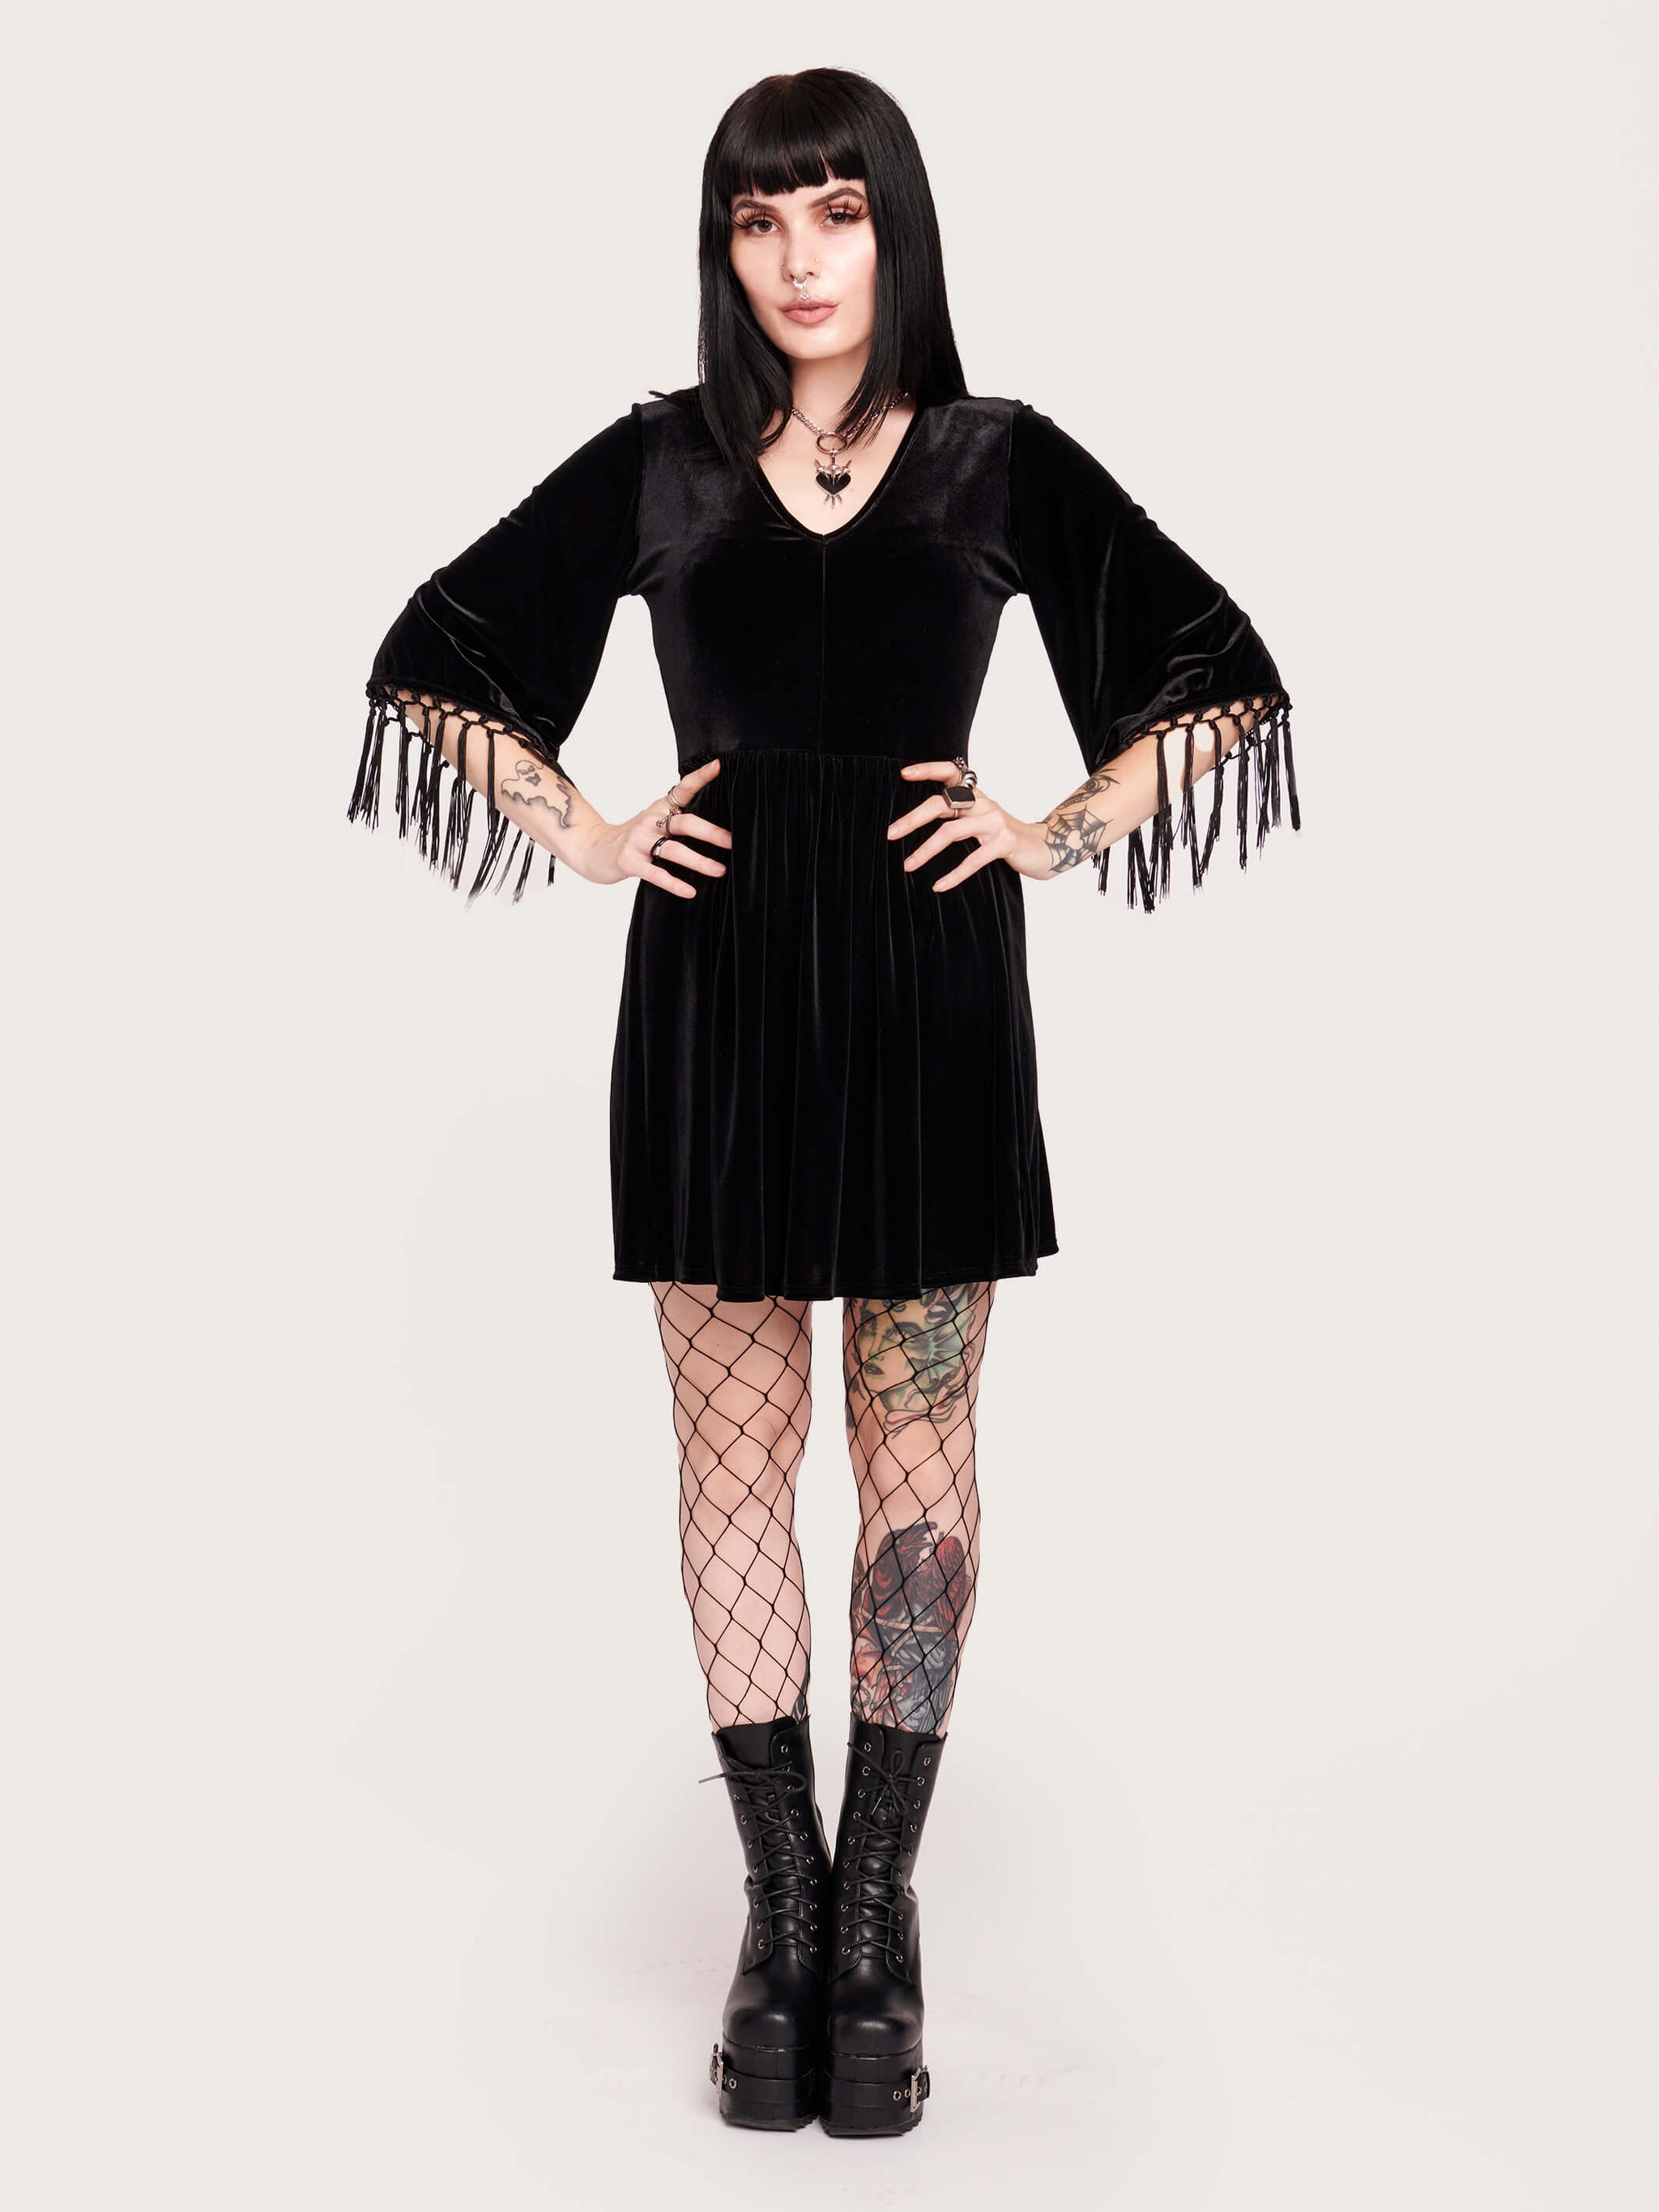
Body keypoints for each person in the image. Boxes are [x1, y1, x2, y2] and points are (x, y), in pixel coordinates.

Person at [346, 66, 1299, 2138]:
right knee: (731, 1467)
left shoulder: (990, 456)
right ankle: (777, 1914)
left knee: (915, 1459)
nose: (796, 258)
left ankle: (876, 1926)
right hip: (712, 997)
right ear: (724, 247)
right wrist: (591, 832)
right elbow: (434, 653)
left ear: (895, 229)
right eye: (758, 219)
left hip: (928, 994)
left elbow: (1219, 669)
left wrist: (1051, 827)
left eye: (834, 213)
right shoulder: (663, 462)